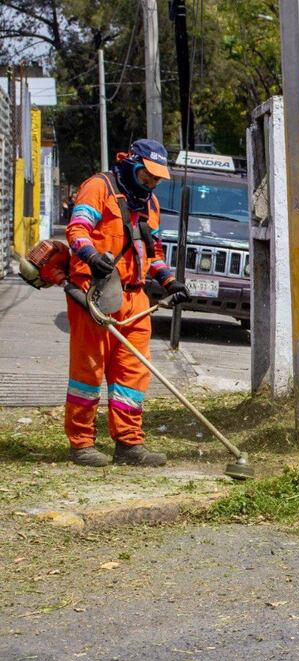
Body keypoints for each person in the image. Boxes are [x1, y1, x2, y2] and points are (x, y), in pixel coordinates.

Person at [64, 139, 189, 467]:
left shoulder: (151, 204)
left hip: (135, 297)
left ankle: (128, 443)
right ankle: (81, 444)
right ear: (130, 164)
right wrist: (90, 256)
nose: (150, 183)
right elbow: (77, 230)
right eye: (146, 175)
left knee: (132, 375)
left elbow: (154, 252)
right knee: (88, 371)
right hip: (95, 292)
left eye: (156, 179)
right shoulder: (98, 188)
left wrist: (168, 281)